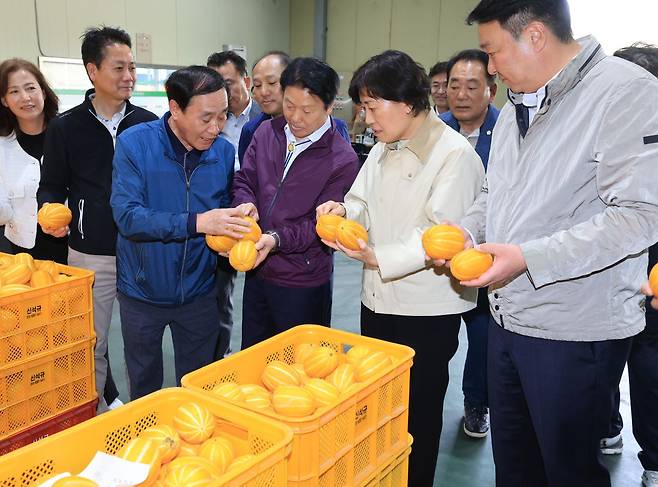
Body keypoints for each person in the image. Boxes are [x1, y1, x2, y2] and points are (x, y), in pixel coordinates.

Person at [448, 1, 658, 485]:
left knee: (567, 472)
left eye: (493, 52)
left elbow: (641, 215)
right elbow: (492, 196)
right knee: (516, 467)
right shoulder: (519, 106)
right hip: (508, 319)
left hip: (575, 330)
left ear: (536, 36)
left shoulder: (624, 93)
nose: (492, 68)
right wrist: (468, 231)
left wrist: (527, 258)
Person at [317, 50, 484, 487]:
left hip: (427, 312)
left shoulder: (454, 155)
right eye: (363, 107)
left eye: (372, 106)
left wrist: (378, 256)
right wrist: (344, 213)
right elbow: (361, 200)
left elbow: (441, 234)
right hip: (378, 301)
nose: (365, 117)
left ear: (406, 103)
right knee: (379, 409)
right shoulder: (384, 148)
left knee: (418, 417)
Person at [110, 66, 250, 400]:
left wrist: (241, 214)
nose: (216, 128)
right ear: (175, 108)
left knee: (198, 385)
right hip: (141, 292)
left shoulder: (224, 152)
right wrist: (198, 222)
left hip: (199, 292)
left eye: (223, 116)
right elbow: (128, 216)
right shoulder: (135, 144)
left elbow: (227, 202)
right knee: (144, 385)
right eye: (206, 118)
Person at [38, 27, 158, 412]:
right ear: (93, 71)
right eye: (119, 67)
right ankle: (95, 413)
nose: (129, 76)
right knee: (92, 340)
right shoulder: (66, 127)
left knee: (143, 339)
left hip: (143, 249)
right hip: (92, 252)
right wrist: (49, 213)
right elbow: (52, 186)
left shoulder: (150, 124)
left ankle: (148, 409)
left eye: (133, 68)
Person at [232, 57, 359, 349]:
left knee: (300, 366)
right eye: (289, 105)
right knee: (254, 355)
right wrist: (245, 203)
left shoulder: (341, 159)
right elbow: (245, 179)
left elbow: (322, 225)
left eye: (307, 110)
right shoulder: (266, 133)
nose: (296, 118)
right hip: (258, 270)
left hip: (302, 279)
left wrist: (276, 239)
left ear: (329, 106)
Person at [600, 42, 658, 487]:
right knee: (601, 349)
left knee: (649, 357)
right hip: (606, 266)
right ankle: (606, 428)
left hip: (652, 267)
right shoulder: (604, 133)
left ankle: (654, 456)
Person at [440, 48, 500, 438]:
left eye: (471, 86)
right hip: (440, 257)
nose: (460, 94)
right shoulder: (436, 129)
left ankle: (477, 403)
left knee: (482, 340)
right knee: (438, 338)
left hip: (487, 258)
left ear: (491, 91)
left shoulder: (509, 132)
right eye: (453, 86)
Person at [206, 50, 262, 359]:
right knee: (220, 293)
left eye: (227, 82)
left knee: (259, 297)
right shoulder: (208, 120)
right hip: (222, 218)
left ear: (246, 81)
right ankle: (220, 358)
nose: (222, 91)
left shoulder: (264, 122)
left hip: (259, 217)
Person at [0, 59, 67, 263]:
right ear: (4, 100)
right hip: (22, 254)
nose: (26, 98)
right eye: (14, 92)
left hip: (73, 248)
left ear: (43, 92)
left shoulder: (69, 135)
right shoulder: (3, 147)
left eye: (31, 88)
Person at [238, 51, 350, 166]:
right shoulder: (252, 130)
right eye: (257, 85)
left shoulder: (334, 128)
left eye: (272, 83)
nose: (264, 92)